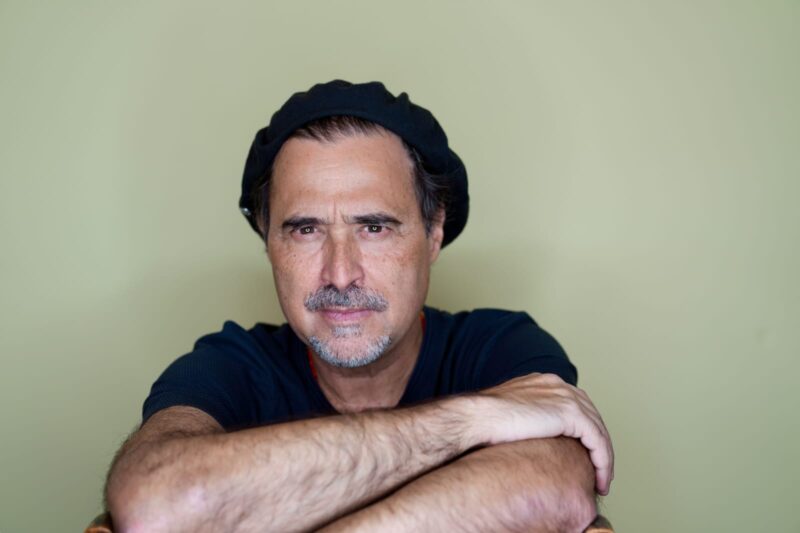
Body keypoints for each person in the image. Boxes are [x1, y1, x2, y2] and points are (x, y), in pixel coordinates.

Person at [104, 80, 614, 532]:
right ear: (267, 239)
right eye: (306, 230)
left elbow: (556, 495)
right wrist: (466, 422)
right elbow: (154, 509)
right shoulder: (230, 365)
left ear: (434, 232)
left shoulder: (501, 348)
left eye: (374, 227)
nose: (341, 273)